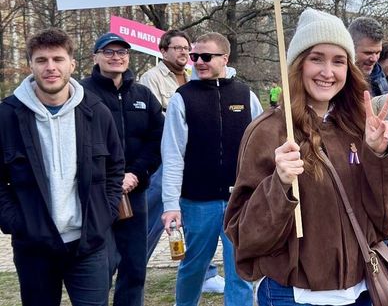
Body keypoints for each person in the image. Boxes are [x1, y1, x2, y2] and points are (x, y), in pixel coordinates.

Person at [224, 8, 388, 306]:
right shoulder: (268, 131)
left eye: (338, 61)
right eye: (316, 59)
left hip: (363, 290)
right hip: (294, 295)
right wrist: (279, 184)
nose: (328, 72)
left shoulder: (362, 125)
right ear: (298, 64)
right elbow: (244, 234)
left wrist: (381, 155)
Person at [0, 28, 124, 306]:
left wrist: (104, 214)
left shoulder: (97, 111)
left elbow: (115, 169)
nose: (50, 67)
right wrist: (15, 222)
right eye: (41, 60)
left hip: (89, 244)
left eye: (58, 59)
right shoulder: (7, 115)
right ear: (30, 65)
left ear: (72, 64)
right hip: (34, 246)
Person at [161, 32, 262, 306]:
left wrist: (259, 193)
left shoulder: (246, 95)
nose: (198, 62)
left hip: (239, 201)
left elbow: (259, 148)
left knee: (240, 271)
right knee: (193, 268)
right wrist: (170, 204)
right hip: (197, 202)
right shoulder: (183, 98)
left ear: (225, 58)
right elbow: (172, 155)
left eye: (206, 56)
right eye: (194, 57)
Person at [139, 29, 226, 293]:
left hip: (196, 161)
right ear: (163, 51)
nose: (185, 53)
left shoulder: (193, 75)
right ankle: (136, 267)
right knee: (159, 218)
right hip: (165, 159)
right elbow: (154, 121)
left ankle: (207, 274)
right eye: (177, 48)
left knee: (195, 225)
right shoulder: (152, 78)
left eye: (187, 49)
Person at [80, 32, 163, 306]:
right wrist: (112, 178)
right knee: (99, 266)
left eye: (122, 52)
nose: (116, 57)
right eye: (109, 52)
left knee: (134, 266)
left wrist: (136, 174)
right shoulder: (80, 94)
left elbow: (157, 139)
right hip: (96, 195)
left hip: (134, 193)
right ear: (96, 57)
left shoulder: (143, 95)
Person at [348, 16, 388, 96]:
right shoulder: (335, 80)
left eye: (378, 53)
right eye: (368, 53)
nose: (374, 59)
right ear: (351, 48)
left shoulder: (379, 76)